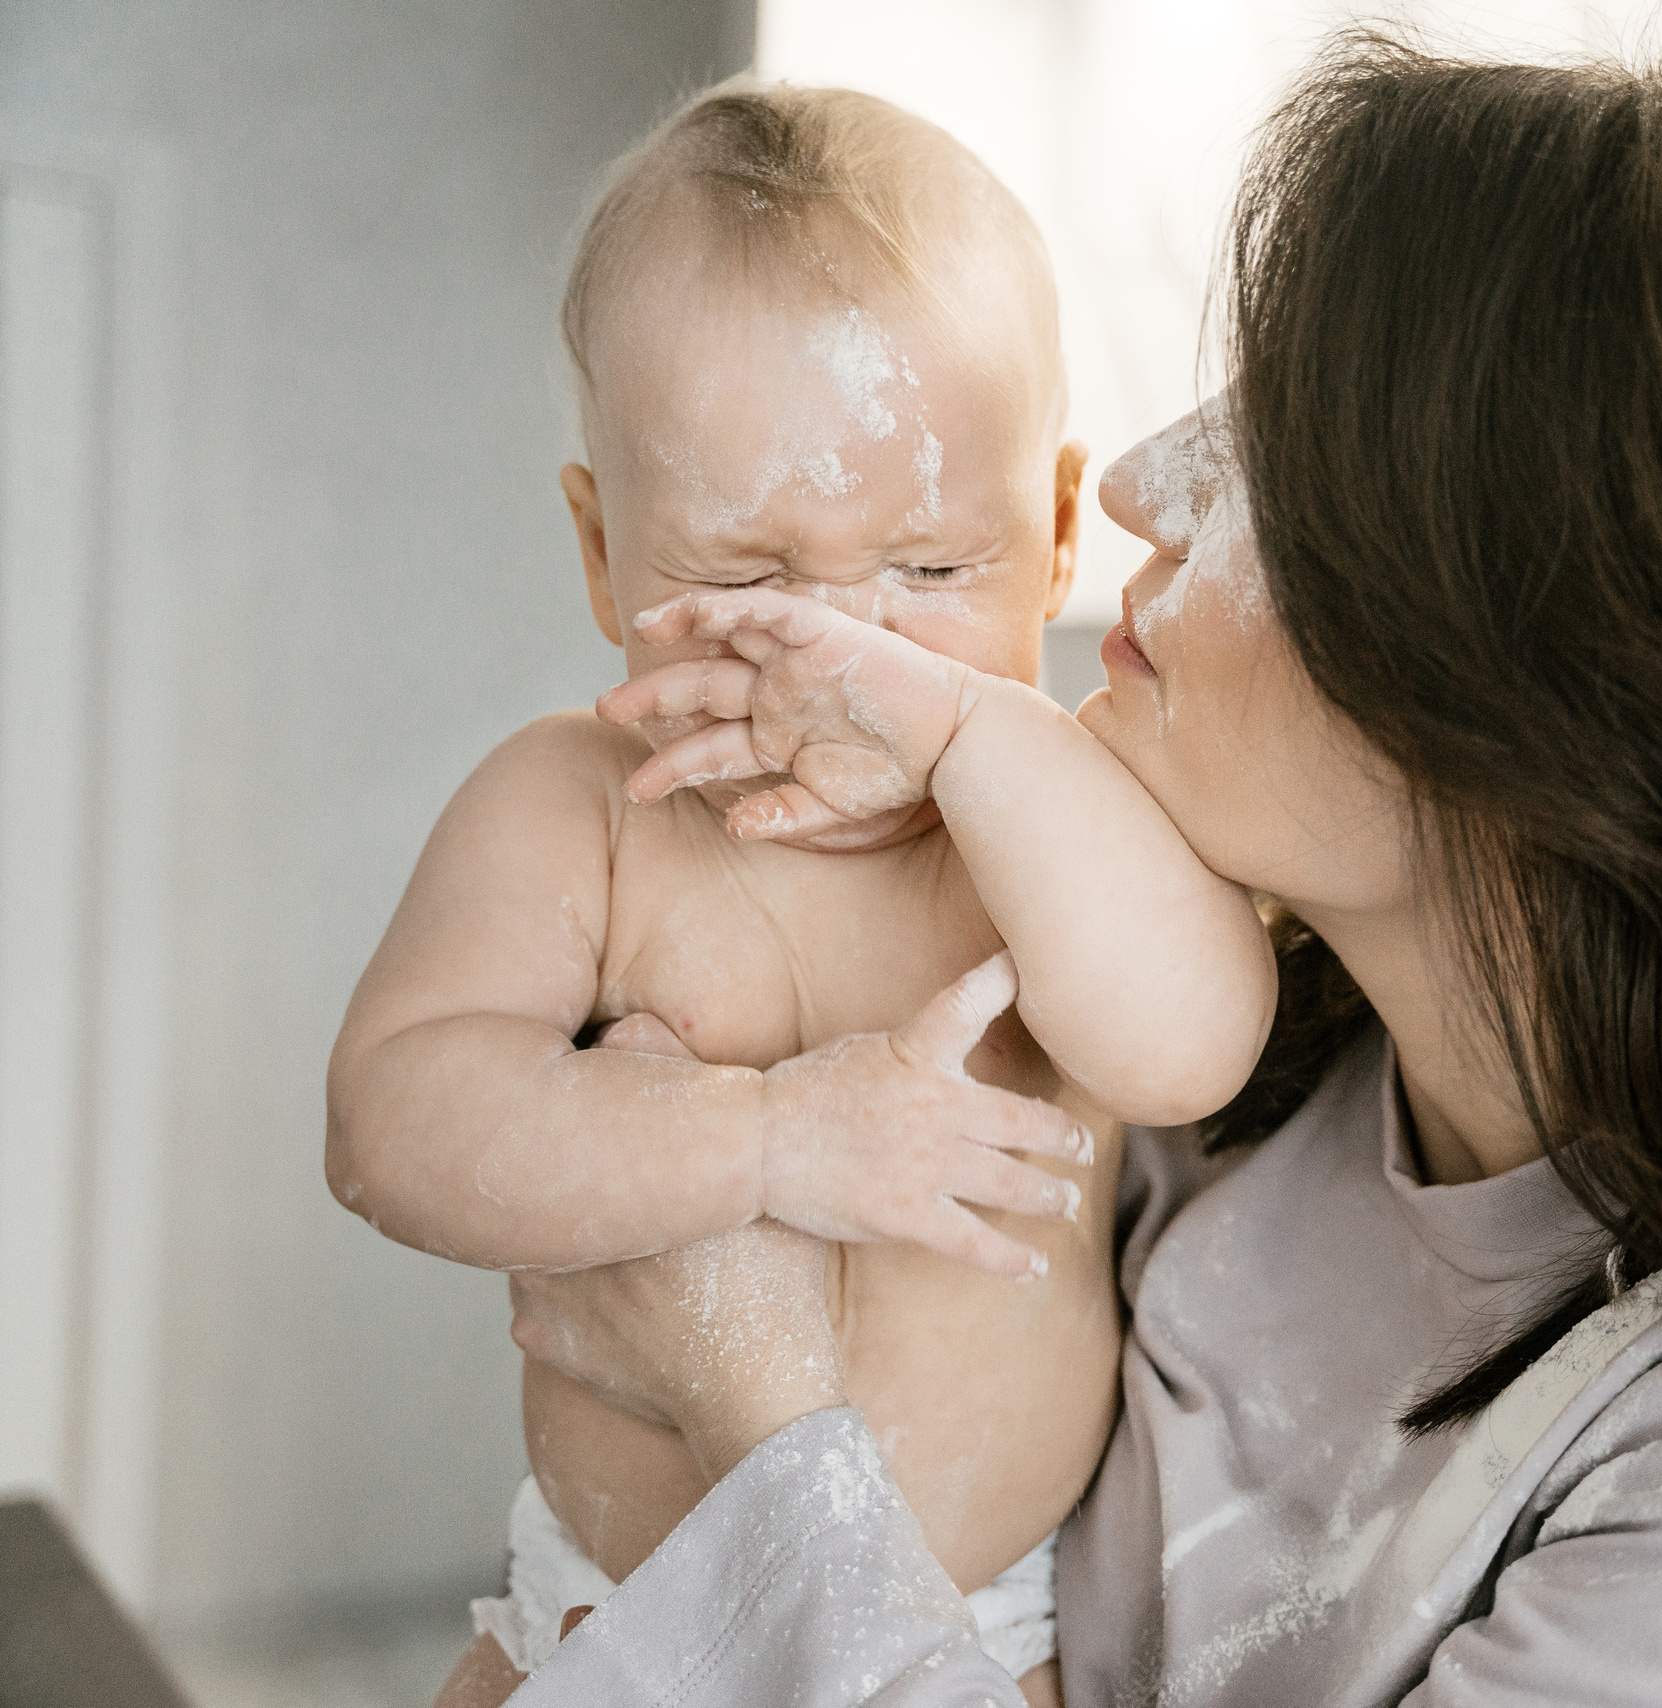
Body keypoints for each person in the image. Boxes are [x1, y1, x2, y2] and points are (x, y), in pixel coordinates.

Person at [501, 37, 1662, 1706]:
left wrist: (764, 1423)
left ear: (1586, 669)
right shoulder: (1258, 1075)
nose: (1140, 486)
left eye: (1295, 447)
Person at [322, 81, 1275, 1707]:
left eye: (928, 570)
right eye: (749, 579)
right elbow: (388, 1126)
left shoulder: (1058, 813)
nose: (846, 656)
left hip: (984, 1635)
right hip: (610, 1618)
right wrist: (766, 1142)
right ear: (602, 548)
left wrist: (982, 738)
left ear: (1055, 534)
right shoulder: (577, 810)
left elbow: (1188, 1051)